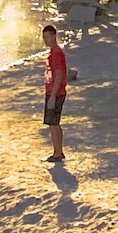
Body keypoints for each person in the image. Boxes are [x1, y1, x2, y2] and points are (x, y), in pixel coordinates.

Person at [42, 23, 67, 162]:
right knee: (55, 123)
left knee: (53, 123)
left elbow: (59, 75)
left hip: (56, 93)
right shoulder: (54, 52)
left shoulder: (56, 54)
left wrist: (52, 96)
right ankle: (59, 151)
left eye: (47, 37)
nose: (45, 40)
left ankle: (57, 153)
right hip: (55, 92)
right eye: (44, 37)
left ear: (54, 36)